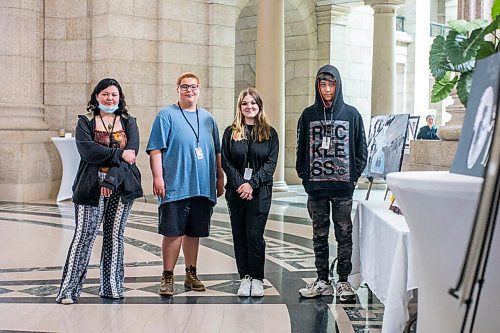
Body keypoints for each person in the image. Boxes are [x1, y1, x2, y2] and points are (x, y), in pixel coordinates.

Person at [56, 78, 143, 304]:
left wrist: (111, 179)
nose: (110, 98)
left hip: (121, 184)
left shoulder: (129, 122)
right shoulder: (85, 121)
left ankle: (112, 287)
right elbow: (88, 151)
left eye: (114, 94)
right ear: (96, 96)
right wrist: (118, 154)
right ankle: (68, 291)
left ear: (120, 97)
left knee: (114, 236)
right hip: (90, 185)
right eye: (105, 94)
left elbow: (131, 155)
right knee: (84, 236)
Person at [146, 72, 224, 297]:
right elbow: (156, 149)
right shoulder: (166, 115)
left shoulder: (209, 118)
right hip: (176, 185)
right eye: (185, 86)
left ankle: (191, 274)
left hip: (202, 186)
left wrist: (219, 177)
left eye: (194, 86)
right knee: (173, 233)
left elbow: (217, 151)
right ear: (178, 89)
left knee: (193, 232)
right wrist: (158, 177)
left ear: (199, 89)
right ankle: (167, 276)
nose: (189, 90)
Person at [295, 65, 367, 302]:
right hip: (316, 188)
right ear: (317, 87)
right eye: (322, 85)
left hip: (343, 188)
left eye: (331, 85)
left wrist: (353, 177)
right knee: (319, 235)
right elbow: (301, 149)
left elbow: (361, 150)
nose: (327, 90)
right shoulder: (308, 115)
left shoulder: (352, 114)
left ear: (338, 85)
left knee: (344, 234)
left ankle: (343, 281)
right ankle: (323, 280)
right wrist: (304, 177)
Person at [221, 88, 279, 297]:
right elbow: (226, 162)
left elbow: (271, 164)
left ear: (259, 106)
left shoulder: (270, 133)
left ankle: (257, 278)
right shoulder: (231, 132)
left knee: (255, 235)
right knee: (239, 235)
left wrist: (252, 184)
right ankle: (244, 277)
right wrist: (240, 185)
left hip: (260, 192)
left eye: (253, 103)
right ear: (240, 107)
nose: (249, 107)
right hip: (236, 192)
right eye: (245, 103)